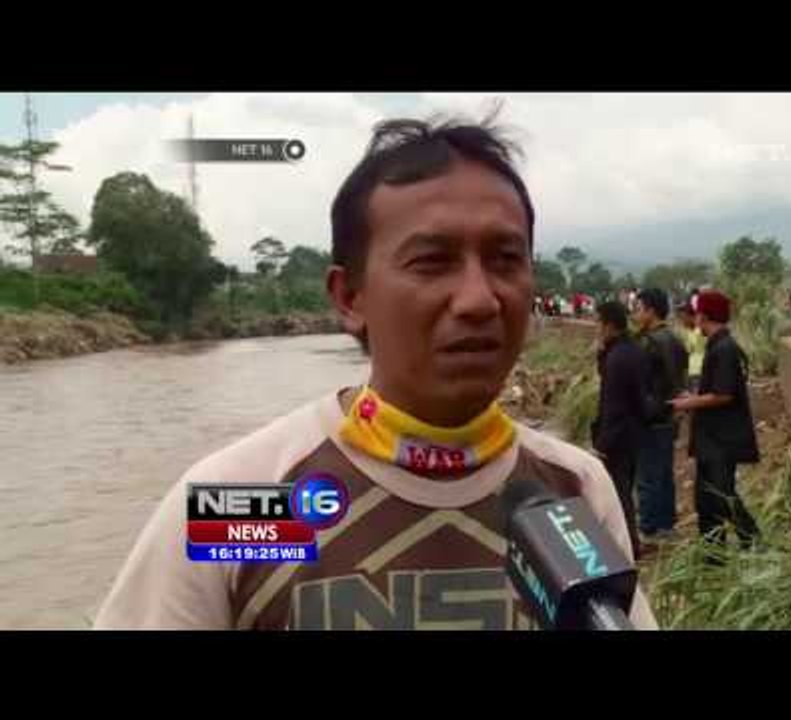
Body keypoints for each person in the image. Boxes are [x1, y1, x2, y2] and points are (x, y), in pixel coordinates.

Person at [94, 113, 657, 630]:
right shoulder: (246, 500)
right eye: (432, 261)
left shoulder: (572, 490)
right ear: (350, 296)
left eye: (505, 260)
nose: (479, 299)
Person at [670, 290, 761, 552]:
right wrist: (694, 397)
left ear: (704, 315)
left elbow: (723, 394)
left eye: (697, 312)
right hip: (712, 439)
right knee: (706, 499)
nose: (694, 317)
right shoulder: (718, 345)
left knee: (722, 496)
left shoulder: (724, 349)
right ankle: (712, 553)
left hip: (722, 439)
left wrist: (687, 403)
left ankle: (752, 540)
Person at [591, 300, 662, 559]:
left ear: (609, 325)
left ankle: (626, 546)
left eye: (598, 322)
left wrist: (602, 444)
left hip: (617, 437)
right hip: (633, 433)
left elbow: (613, 405)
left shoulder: (618, 358)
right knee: (624, 491)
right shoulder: (631, 351)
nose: (596, 328)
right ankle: (629, 543)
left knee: (617, 494)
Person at [632, 288, 688, 542]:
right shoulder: (675, 339)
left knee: (647, 476)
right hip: (670, 414)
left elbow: (640, 383)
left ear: (651, 310)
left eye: (638, 308)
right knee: (664, 473)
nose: (635, 313)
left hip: (651, 417)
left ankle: (648, 529)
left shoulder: (649, 342)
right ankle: (667, 526)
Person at [676, 296, 706, 391]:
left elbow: (688, 350)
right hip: (692, 372)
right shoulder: (690, 331)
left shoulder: (700, 331)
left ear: (690, 316)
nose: (681, 321)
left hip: (699, 372)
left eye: (682, 317)